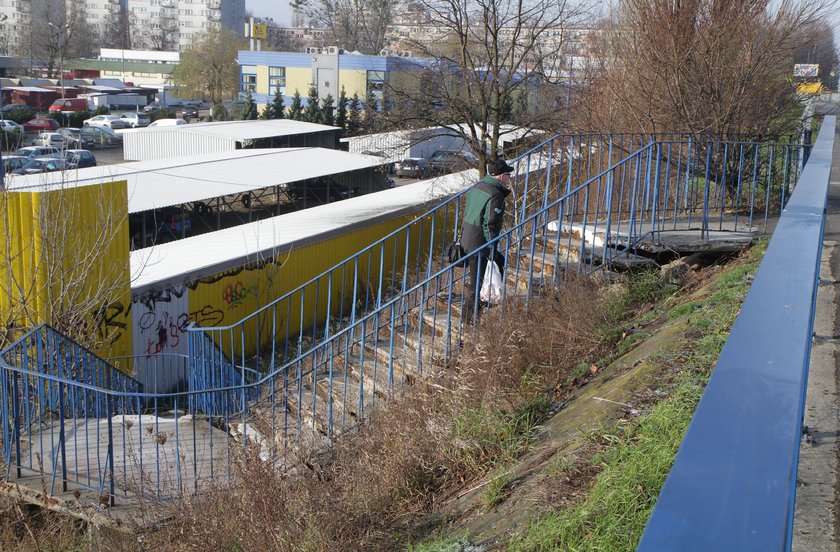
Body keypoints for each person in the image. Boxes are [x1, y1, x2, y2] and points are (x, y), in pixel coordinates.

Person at [460, 158, 514, 324]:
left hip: (468, 238)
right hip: (480, 243)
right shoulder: (495, 194)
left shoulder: (478, 187)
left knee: (499, 261)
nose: (509, 178)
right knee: (477, 281)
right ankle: (468, 318)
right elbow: (489, 223)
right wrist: (491, 247)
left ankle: (485, 300)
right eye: (507, 174)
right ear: (499, 176)